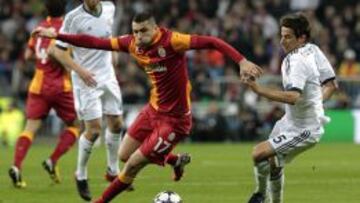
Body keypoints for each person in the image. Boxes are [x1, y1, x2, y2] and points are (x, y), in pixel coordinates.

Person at [34, 10, 262, 202]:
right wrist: (58, 35)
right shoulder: (131, 44)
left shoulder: (173, 41)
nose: (138, 35)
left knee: (131, 166)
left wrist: (241, 61)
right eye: (135, 31)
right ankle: (175, 160)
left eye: (143, 30)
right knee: (123, 155)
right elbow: (95, 42)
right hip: (152, 111)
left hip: (175, 120)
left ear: (155, 28)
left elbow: (212, 42)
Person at [241, 13, 337, 203]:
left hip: (304, 130)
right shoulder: (313, 50)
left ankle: (260, 195)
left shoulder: (298, 61)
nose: (282, 41)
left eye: (288, 37)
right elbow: (331, 84)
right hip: (288, 122)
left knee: (258, 153)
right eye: (281, 35)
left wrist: (258, 89)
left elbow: (293, 97)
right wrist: (317, 105)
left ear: (301, 38)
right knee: (272, 163)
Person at [48, 0, 126, 201]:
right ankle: (80, 174)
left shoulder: (110, 8)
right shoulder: (73, 18)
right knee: (93, 130)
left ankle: (112, 170)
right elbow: (58, 50)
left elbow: (109, 33)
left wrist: (114, 51)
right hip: (85, 79)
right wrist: (80, 71)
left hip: (107, 75)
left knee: (117, 124)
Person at [8, 0, 79, 188]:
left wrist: (41, 60)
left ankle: (16, 166)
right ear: (65, 9)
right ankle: (52, 160)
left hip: (38, 85)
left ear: (46, 9)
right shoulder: (65, 29)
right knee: (76, 125)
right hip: (60, 86)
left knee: (30, 128)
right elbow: (63, 56)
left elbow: (28, 56)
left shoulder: (39, 28)